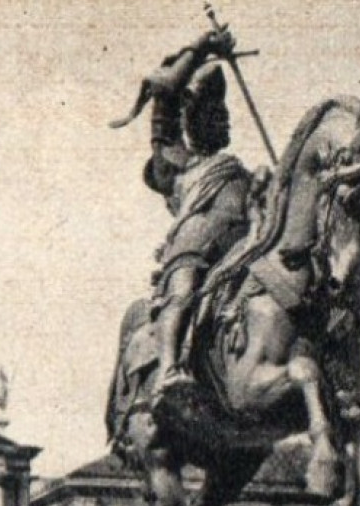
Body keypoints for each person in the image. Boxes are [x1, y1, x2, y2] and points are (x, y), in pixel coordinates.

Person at [126, 27, 257, 397]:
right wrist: (201, 47)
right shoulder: (174, 161)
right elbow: (166, 89)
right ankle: (170, 367)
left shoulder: (237, 169)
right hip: (195, 243)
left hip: (246, 244)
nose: (223, 118)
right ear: (190, 120)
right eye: (213, 112)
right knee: (183, 287)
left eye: (225, 112)